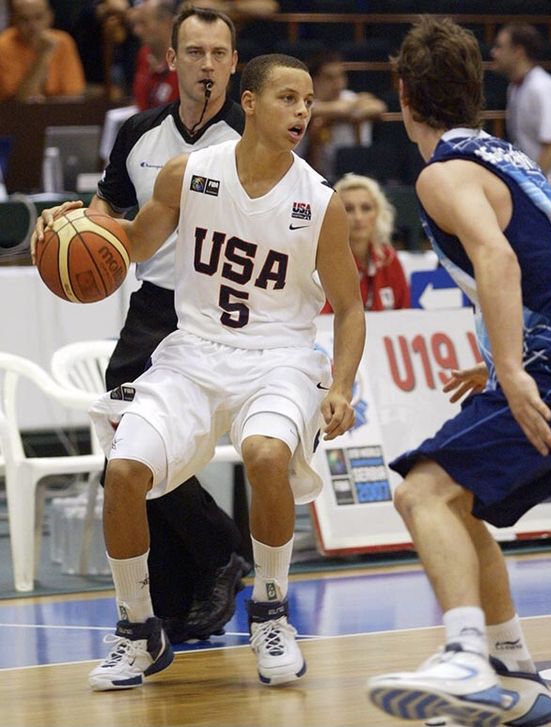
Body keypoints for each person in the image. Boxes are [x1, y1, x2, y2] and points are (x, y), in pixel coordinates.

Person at [46, 51, 364, 692]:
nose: (302, 111)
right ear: (249, 102)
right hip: (194, 350)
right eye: (287, 98)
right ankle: (138, 629)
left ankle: (270, 613)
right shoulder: (189, 174)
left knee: (266, 455)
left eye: (307, 101)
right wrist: (73, 226)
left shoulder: (319, 201)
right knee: (124, 471)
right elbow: (133, 244)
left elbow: (351, 308)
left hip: (280, 356)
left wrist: (341, 385)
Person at [33, 5, 250, 646]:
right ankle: (184, 593)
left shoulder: (252, 136)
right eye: (195, 52)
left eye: (218, 53)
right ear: (171, 60)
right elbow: (107, 213)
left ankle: (219, 550)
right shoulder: (138, 132)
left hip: (226, 309)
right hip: (155, 305)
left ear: (234, 64)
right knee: (124, 440)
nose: (207, 64)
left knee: (147, 449)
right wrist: (68, 225)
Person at [366, 16, 551, 727]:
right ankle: (512, 672)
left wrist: (511, 365)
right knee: (453, 500)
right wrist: (499, 357)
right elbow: (540, 262)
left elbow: (499, 259)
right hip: (548, 352)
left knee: (421, 494)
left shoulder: (442, 173)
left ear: (402, 93)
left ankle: (466, 656)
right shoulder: (504, 155)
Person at [491, 23, 551, 201]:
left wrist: (530, 186)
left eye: (500, 47)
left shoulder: (542, 88)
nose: (493, 53)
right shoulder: (515, 88)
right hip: (540, 190)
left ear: (518, 52)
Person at [321, 173, 410, 313]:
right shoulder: (324, 263)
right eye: (348, 209)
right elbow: (322, 320)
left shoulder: (388, 258)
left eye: (366, 208)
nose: (358, 217)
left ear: (378, 213)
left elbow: (405, 313)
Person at [298, 50, 387, 183]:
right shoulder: (304, 105)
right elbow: (320, 109)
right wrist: (344, 111)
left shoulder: (349, 98)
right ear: (314, 80)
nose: (338, 84)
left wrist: (353, 114)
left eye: (341, 76)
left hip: (359, 172)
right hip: (318, 177)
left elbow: (379, 107)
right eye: (329, 78)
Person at [0, 0, 86, 102]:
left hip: (58, 110)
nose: (32, 26)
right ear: (13, 20)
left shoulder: (63, 41)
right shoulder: (3, 45)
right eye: (24, 19)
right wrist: (43, 55)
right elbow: (18, 101)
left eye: (38, 17)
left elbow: (74, 94)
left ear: (50, 17)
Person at [130, 0, 180, 110]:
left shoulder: (185, 63)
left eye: (143, 23)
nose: (137, 31)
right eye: (136, 24)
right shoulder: (144, 54)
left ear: (167, 23)